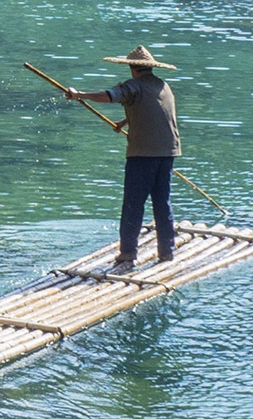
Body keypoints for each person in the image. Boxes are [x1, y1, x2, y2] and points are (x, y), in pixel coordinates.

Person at [67, 45, 181, 271]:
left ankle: (127, 254)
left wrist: (80, 95)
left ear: (132, 68)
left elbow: (110, 96)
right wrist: (125, 121)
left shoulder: (133, 86)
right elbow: (154, 110)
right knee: (162, 202)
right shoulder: (162, 85)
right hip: (168, 152)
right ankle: (167, 252)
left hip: (143, 154)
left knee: (133, 204)